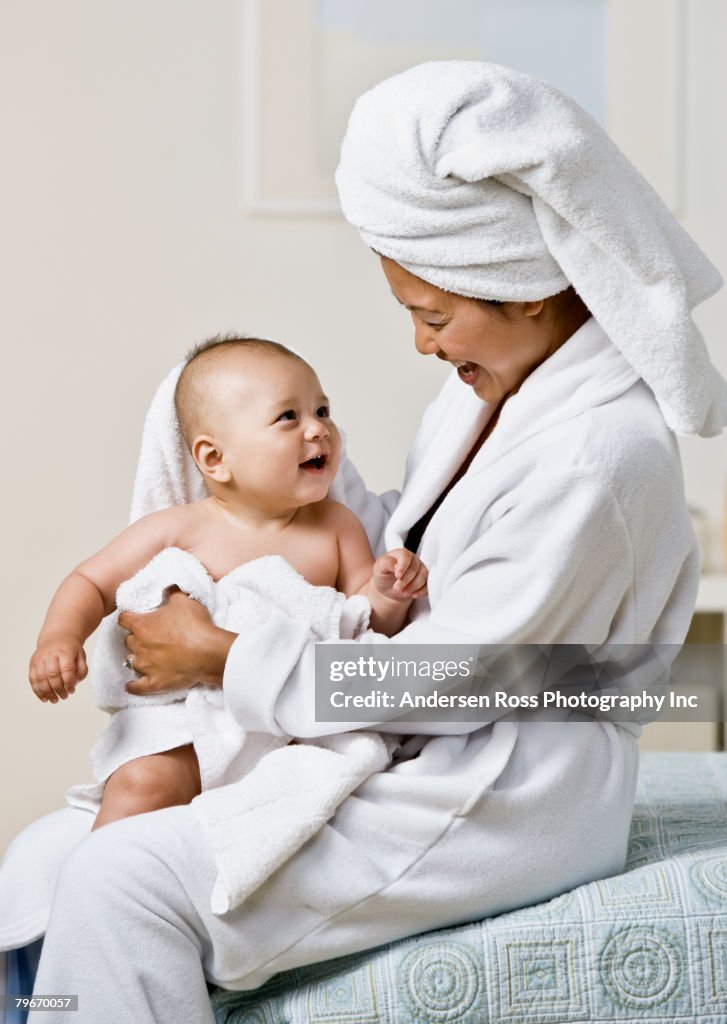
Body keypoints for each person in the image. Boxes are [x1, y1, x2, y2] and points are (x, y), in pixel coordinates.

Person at [1, 61, 723, 1024]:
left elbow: (454, 683)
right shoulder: (496, 390)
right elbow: (407, 550)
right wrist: (262, 491)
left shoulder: (592, 458)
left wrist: (223, 656)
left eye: (432, 315)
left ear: (528, 293)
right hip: (412, 732)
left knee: (127, 882)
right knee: (49, 858)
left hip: (500, 782)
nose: (423, 345)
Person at [27, 335, 427, 829]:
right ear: (215, 459)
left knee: (323, 803)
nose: (319, 430)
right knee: (140, 787)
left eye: (322, 411)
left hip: (287, 726)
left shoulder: (337, 526)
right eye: (289, 417)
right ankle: (106, 887)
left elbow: (363, 625)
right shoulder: (180, 528)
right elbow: (90, 581)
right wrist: (59, 638)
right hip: (187, 725)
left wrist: (388, 591)